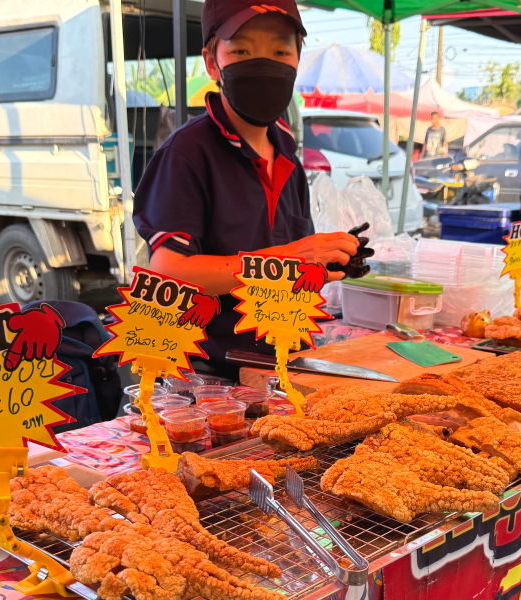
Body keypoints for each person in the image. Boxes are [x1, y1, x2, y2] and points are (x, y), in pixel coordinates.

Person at [130, 0, 360, 376]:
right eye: (241, 51)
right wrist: (288, 257)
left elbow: (291, 267)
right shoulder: (186, 152)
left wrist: (326, 263)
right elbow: (170, 272)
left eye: (280, 52)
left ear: (296, 60)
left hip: (282, 365)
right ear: (212, 62)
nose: (264, 64)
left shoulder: (288, 156)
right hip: (207, 378)